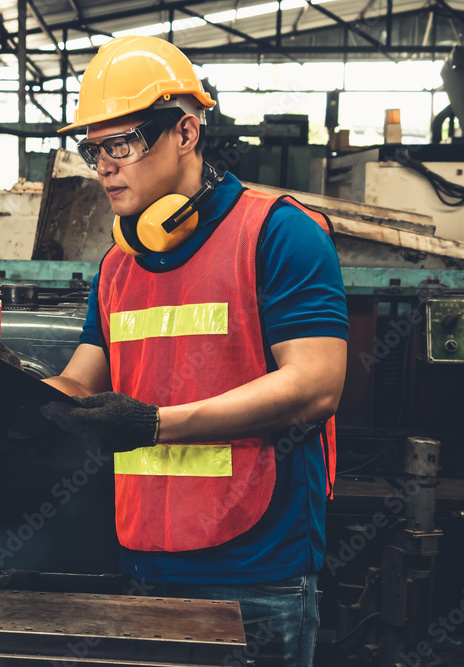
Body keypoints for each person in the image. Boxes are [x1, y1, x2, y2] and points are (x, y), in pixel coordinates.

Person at [37, 37, 348, 667]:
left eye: (119, 143)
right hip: (145, 557)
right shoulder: (119, 265)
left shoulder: (279, 232)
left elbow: (316, 384)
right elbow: (80, 382)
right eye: (92, 148)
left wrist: (154, 424)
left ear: (185, 132)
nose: (102, 166)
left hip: (255, 571)